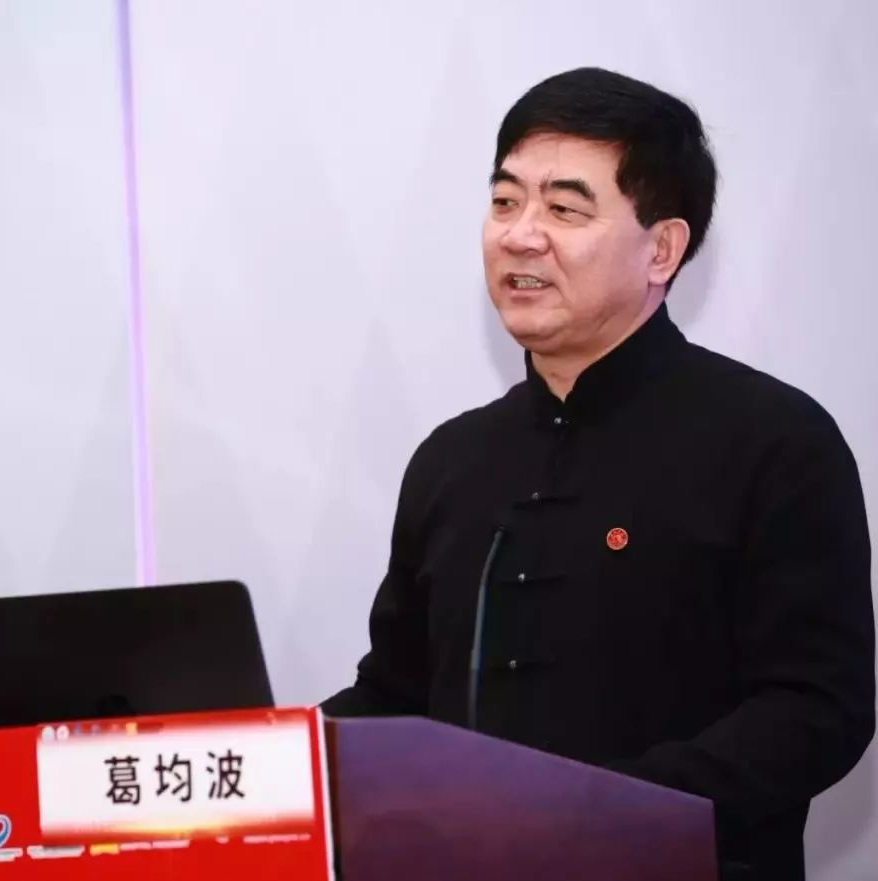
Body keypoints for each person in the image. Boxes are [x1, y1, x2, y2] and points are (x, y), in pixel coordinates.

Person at [322, 67, 874, 881]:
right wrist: (261, 759)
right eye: (505, 201)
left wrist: (603, 813)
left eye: (564, 209)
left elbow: (817, 708)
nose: (520, 235)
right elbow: (395, 696)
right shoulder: (451, 458)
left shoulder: (775, 440)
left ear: (662, 249)